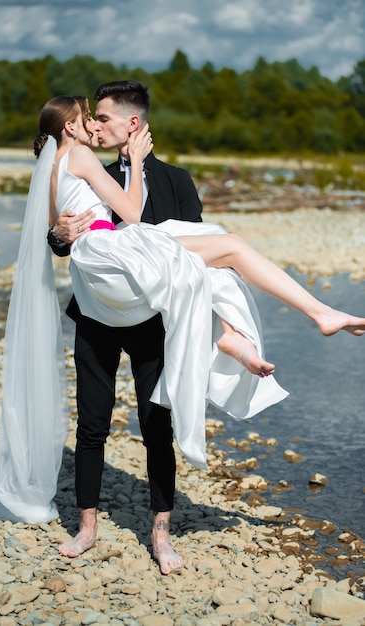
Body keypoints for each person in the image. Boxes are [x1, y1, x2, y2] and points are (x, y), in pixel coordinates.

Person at [47, 85, 365, 569]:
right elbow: (62, 232)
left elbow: (198, 261)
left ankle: (161, 532)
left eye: (105, 117)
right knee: (92, 421)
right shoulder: (94, 171)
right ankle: (87, 525)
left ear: (133, 125)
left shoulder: (175, 179)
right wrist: (59, 233)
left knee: (157, 424)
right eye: (92, 117)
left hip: (151, 318)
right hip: (96, 314)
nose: (96, 124)